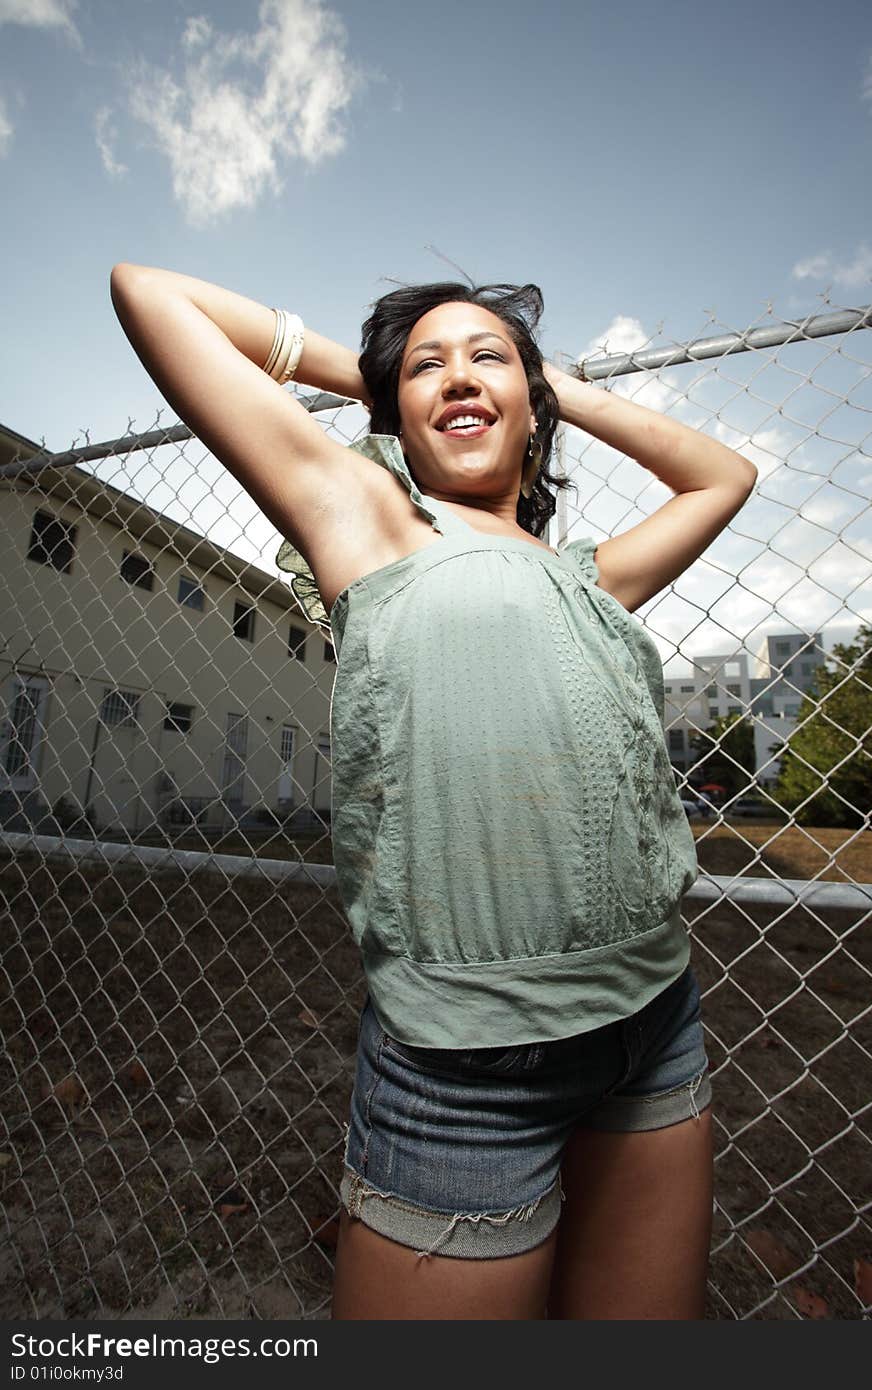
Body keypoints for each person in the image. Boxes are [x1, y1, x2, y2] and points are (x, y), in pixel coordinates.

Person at [110, 264, 758, 1319]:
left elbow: (721, 477)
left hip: (654, 1020)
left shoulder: (588, 574)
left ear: (534, 411)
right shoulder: (368, 521)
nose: (457, 374)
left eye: (486, 357)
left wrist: (550, 381)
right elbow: (148, 294)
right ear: (389, 418)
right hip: (464, 1066)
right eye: (427, 368)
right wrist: (375, 376)